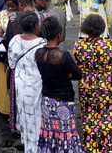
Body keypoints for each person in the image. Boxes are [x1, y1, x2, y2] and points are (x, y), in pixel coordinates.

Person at [74, 14, 112, 152]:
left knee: (89, 117)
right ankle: (109, 147)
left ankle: (91, 147)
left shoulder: (79, 45)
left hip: (87, 85)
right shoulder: (110, 44)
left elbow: (77, 65)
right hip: (107, 85)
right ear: (102, 28)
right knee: (108, 116)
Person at [36, 17, 82, 152]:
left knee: (49, 132)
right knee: (65, 133)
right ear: (59, 35)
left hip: (46, 100)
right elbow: (78, 75)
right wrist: (66, 75)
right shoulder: (64, 56)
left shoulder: (38, 53)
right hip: (63, 101)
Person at [8, 11, 46, 152]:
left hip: (20, 86)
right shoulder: (42, 45)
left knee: (24, 117)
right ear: (36, 26)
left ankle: (27, 147)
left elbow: (11, 64)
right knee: (37, 119)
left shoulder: (14, 40)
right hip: (37, 87)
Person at [0, 0, 19, 116]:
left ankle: (14, 110)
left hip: (16, 53)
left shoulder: (20, 16)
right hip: (3, 52)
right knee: (2, 81)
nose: (9, 9)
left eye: (12, 6)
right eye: (7, 6)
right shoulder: (1, 15)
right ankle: (4, 108)